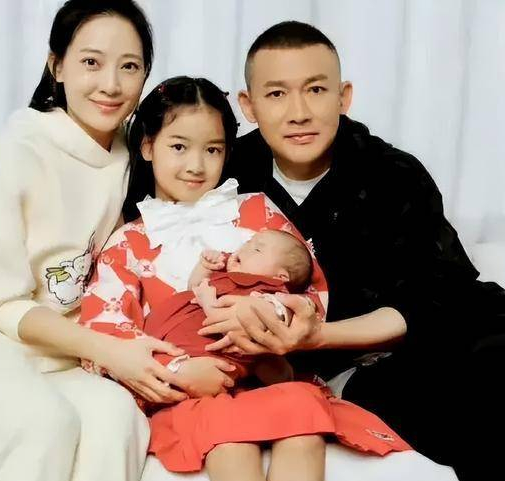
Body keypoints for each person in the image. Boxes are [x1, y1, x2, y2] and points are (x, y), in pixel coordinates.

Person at [211, 21, 505, 480]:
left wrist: (317, 335)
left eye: (316, 90)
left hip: (453, 323)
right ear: (249, 105)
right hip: (367, 366)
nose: (299, 113)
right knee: (470, 412)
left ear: (343, 97)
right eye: (277, 94)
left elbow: (433, 299)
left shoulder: (393, 172)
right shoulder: (221, 173)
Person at [78, 76, 410, 481]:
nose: (196, 165)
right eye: (179, 147)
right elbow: (105, 330)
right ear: (148, 146)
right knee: (230, 440)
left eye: (212, 149)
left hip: (266, 375)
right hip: (191, 388)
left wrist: (267, 321)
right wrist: (178, 370)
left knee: (303, 424)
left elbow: (308, 287)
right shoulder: (127, 241)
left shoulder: (257, 211)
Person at [0, 2, 177, 480]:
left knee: (119, 420)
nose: (111, 84)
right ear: (57, 66)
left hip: (57, 352)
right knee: (46, 426)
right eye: (91, 62)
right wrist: (109, 351)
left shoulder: (133, 155)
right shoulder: (15, 155)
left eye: (129, 67)